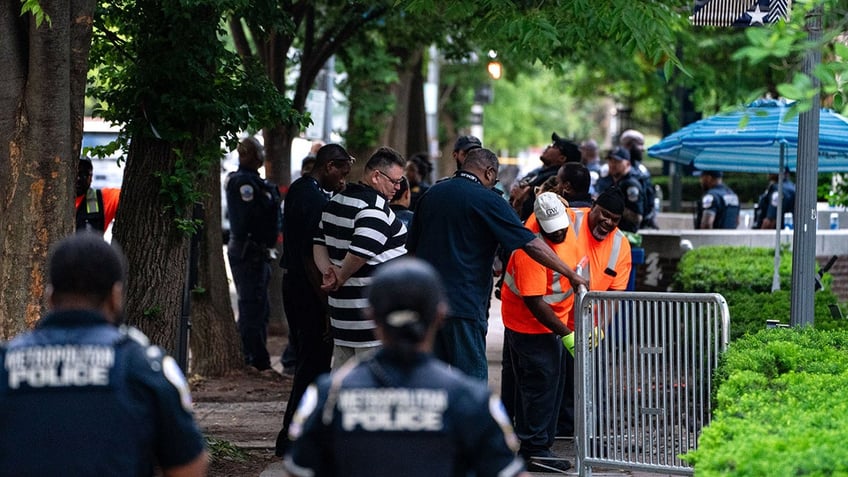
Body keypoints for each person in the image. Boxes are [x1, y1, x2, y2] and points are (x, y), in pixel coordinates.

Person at [283, 258, 530, 477]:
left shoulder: (329, 395)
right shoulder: (470, 398)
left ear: (371, 315)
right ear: (440, 315)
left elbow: (298, 469)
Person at [0, 233, 207, 476]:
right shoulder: (145, 366)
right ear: (115, 295)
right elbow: (188, 466)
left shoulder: (6, 363)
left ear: (50, 296)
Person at [407, 147, 588, 380]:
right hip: (465, 306)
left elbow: (410, 252)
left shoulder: (431, 194)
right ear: (490, 172)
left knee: (431, 381)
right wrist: (570, 274)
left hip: (428, 304)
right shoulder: (488, 199)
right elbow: (530, 243)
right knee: (470, 383)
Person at [276, 143, 354, 456]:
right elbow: (311, 258)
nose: (343, 181)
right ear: (329, 166)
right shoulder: (310, 197)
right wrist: (326, 305)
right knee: (313, 364)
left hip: (297, 285)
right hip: (305, 289)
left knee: (312, 363)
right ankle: (294, 436)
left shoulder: (303, 189)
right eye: (341, 174)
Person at [500, 193, 579, 473]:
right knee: (540, 382)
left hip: (551, 324)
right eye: (552, 229)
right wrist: (566, 333)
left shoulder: (567, 219)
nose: (558, 232)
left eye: (561, 227)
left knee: (550, 381)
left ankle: (539, 443)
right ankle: (534, 449)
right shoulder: (529, 250)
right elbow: (535, 302)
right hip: (529, 325)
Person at [313, 146, 408, 369]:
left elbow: (318, 242)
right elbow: (360, 251)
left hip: (342, 316)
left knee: (343, 384)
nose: (398, 187)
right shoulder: (375, 208)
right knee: (372, 388)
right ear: (376, 176)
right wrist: (339, 276)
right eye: (394, 181)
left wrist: (329, 273)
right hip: (371, 320)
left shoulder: (336, 201)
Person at [556, 186, 632, 437]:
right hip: (551, 319)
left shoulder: (620, 245)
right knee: (553, 381)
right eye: (604, 214)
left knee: (590, 380)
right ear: (593, 206)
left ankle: (588, 432)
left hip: (587, 324)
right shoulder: (568, 220)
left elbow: (613, 296)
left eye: (615, 219)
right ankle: (561, 431)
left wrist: (599, 330)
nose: (608, 222)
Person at [225, 136, 281, 371]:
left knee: (260, 308)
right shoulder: (242, 183)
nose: (261, 156)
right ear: (246, 154)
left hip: (258, 253)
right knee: (251, 307)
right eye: (257, 152)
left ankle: (257, 357)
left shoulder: (257, 182)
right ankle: (251, 358)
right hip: (249, 252)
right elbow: (249, 218)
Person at [510, 132, 581, 220]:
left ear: (562, 158)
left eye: (555, 146)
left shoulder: (555, 180)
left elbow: (542, 210)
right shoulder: (540, 172)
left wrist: (521, 200)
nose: (548, 147)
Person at [594, 146, 645, 233]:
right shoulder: (611, 182)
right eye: (610, 160)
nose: (612, 164)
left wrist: (609, 206)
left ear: (628, 164)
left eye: (617, 161)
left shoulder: (631, 185)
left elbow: (637, 218)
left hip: (626, 235)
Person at [75, 158, 121, 233]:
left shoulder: (104, 199)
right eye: (74, 173)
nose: (78, 178)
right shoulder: (51, 202)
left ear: (91, 177)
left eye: (84, 174)